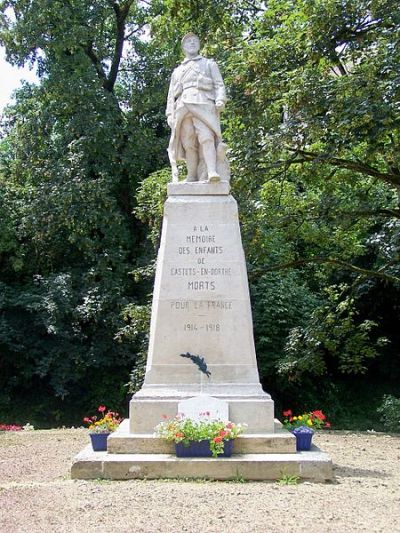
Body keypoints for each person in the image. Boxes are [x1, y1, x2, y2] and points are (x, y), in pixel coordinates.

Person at [166, 33, 230, 183]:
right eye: (188, 41)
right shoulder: (177, 71)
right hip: (183, 107)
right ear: (183, 47)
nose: (192, 43)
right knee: (189, 143)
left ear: (199, 45)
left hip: (203, 105)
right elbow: (171, 96)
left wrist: (220, 99)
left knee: (206, 137)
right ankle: (192, 175)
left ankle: (212, 171)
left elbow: (219, 85)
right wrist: (170, 114)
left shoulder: (209, 64)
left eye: (195, 41)